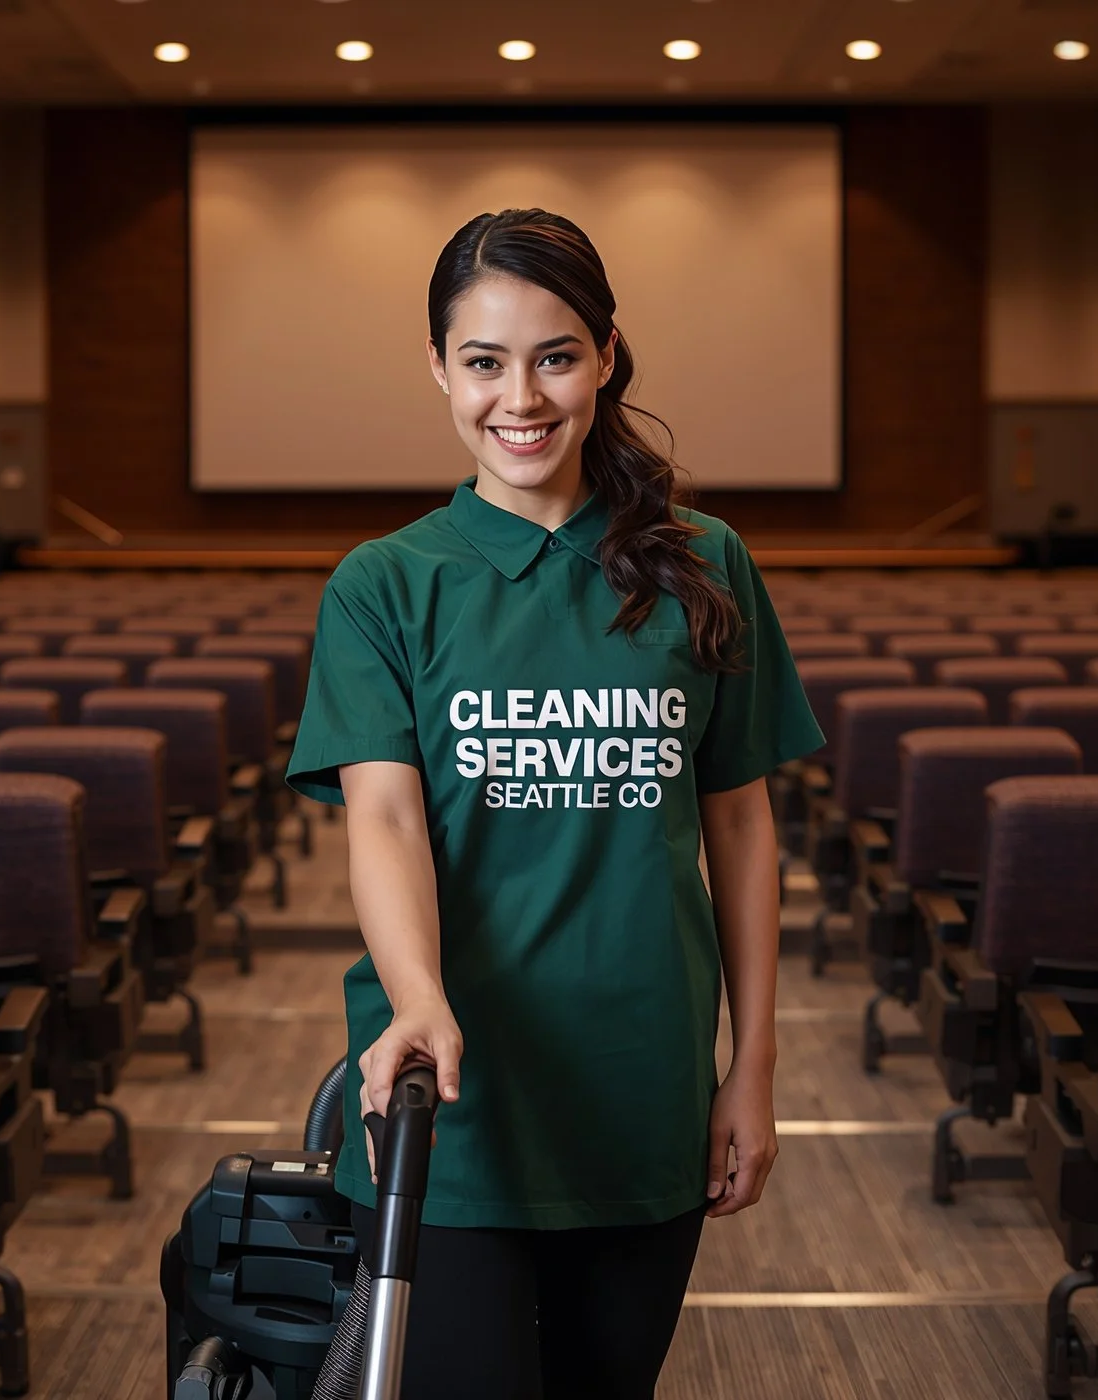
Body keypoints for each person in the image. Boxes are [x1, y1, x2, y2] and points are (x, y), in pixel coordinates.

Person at [285, 208, 822, 1399]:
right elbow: (381, 816)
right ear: (437, 367)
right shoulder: (386, 582)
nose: (518, 396)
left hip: (644, 1087)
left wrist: (754, 1066)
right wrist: (418, 994)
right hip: (452, 1100)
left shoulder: (705, 561)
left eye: (555, 354)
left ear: (608, 354)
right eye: (482, 361)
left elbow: (740, 825)